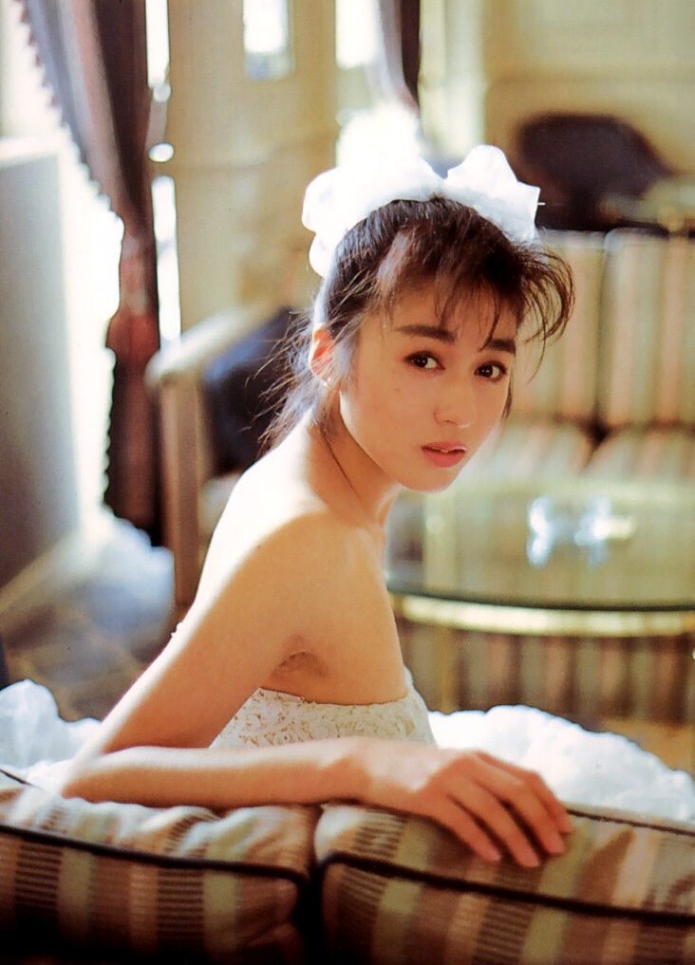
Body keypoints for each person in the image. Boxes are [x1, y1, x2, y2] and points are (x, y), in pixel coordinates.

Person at [5, 146, 693, 860]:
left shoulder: (327, 479)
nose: (460, 410)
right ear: (327, 352)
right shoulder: (307, 535)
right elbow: (89, 782)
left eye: (489, 367)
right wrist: (358, 764)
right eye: (424, 359)